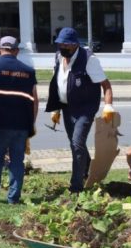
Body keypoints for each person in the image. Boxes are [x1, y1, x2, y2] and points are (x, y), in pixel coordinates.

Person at [46, 27, 115, 193]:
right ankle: (87, 171)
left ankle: (76, 187)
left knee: (77, 144)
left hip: (85, 109)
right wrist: (56, 108)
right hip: (66, 107)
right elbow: (58, 83)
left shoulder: (89, 60)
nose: (63, 48)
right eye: (60, 44)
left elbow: (105, 85)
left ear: (76, 44)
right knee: (76, 144)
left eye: (67, 45)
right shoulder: (58, 56)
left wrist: (108, 106)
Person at [0, 36, 38, 204]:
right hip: (21, 125)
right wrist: (31, 123)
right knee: (17, 162)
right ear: (16, 50)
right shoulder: (29, 70)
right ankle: (14, 198)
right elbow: (35, 100)